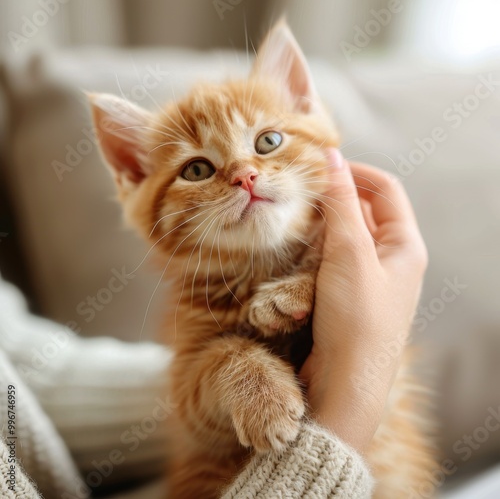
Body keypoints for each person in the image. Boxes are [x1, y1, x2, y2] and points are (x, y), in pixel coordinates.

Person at [0, 149, 427, 498]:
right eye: (198, 168)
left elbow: (27, 381)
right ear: (134, 173)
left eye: (267, 142)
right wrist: (349, 387)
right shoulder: (195, 295)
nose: (245, 172)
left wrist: (197, 392)